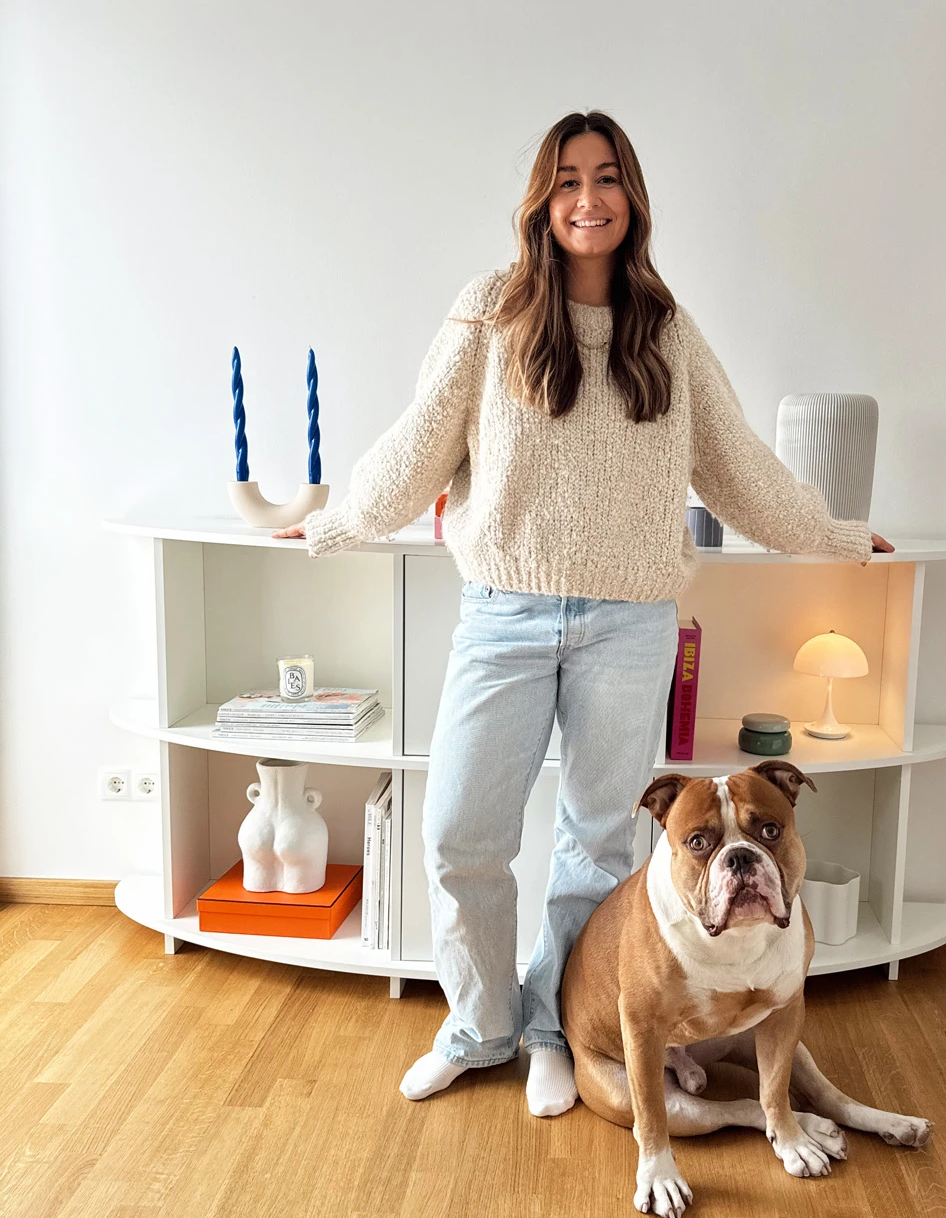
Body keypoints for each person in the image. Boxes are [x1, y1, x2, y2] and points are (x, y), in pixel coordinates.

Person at [273, 110, 894, 1118]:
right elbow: (418, 442)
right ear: (541, 199)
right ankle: (479, 1029)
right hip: (503, 613)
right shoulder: (490, 312)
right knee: (460, 831)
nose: (588, 200)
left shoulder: (667, 331)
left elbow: (738, 465)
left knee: (596, 846)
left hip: (630, 624)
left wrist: (832, 533)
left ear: (632, 197)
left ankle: (559, 1032)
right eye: (567, 181)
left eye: (607, 179)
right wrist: (338, 523)